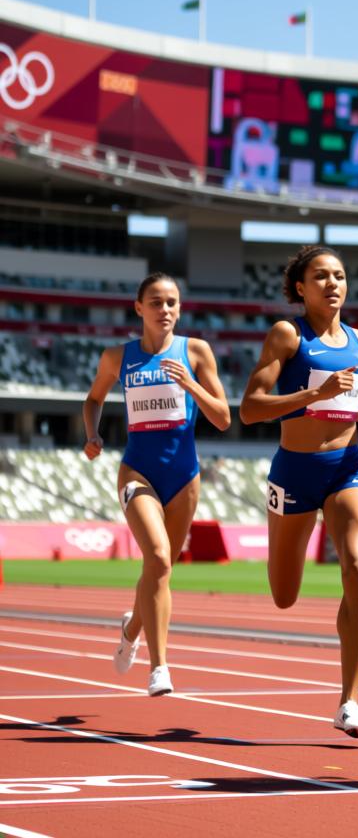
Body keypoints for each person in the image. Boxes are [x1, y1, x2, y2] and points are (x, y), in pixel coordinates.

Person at [239, 245, 358, 740]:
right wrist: (314, 394)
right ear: (300, 288)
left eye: (339, 276)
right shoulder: (288, 336)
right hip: (294, 473)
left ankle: (349, 701)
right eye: (320, 276)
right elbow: (250, 408)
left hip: (346, 468)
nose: (332, 284)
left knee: (356, 568)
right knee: (284, 595)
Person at [83, 273, 231, 696]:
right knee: (161, 559)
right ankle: (160, 667)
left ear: (179, 309)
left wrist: (190, 384)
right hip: (138, 473)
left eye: (171, 302)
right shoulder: (117, 357)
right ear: (139, 308)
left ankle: (131, 628)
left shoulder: (197, 351)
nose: (164, 309)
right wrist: (92, 434)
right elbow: (93, 399)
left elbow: (222, 418)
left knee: (157, 569)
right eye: (155, 302)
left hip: (184, 477)